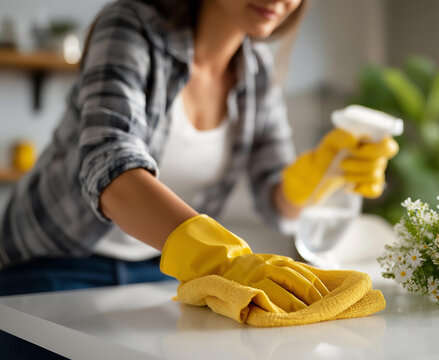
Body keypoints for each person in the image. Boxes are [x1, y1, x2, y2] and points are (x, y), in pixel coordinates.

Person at [0, 0, 397, 319]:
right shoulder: (131, 26)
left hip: (157, 274)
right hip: (52, 264)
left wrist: (323, 171)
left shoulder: (256, 74)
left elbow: (277, 202)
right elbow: (109, 164)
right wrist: (222, 260)